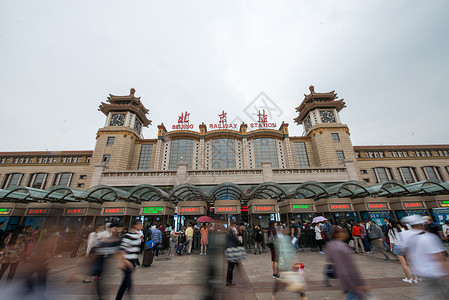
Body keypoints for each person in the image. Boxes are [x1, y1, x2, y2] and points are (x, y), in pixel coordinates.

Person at [402, 214, 449, 298]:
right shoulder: (429, 238)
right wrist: (445, 271)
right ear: (421, 224)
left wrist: (412, 267)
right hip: (436, 270)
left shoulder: (406, 236)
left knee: (426, 294)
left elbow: (405, 253)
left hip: (423, 271)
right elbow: (438, 256)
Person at [327, 226, 370, 300]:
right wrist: (360, 283)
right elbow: (350, 266)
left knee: (351, 296)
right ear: (338, 234)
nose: (345, 234)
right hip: (350, 278)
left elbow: (330, 259)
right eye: (343, 232)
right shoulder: (342, 247)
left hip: (343, 278)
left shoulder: (331, 246)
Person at [116, 220, 141, 300]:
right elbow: (122, 249)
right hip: (128, 262)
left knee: (124, 284)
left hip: (133, 262)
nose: (141, 226)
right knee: (128, 283)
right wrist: (124, 261)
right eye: (140, 224)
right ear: (135, 225)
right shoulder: (128, 235)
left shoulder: (137, 235)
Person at [387, 219, 415, 283]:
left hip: (398, 246)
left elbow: (392, 241)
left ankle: (408, 278)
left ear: (391, 224)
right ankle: (414, 278)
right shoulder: (404, 229)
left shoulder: (391, 230)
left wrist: (391, 248)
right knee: (410, 263)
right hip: (406, 246)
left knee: (403, 263)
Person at [225, 221, 240, 286]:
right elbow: (237, 241)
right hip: (232, 252)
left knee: (230, 267)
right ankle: (228, 281)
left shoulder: (228, 235)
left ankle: (229, 280)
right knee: (231, 267)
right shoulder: (232, 236)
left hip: (229, 252)